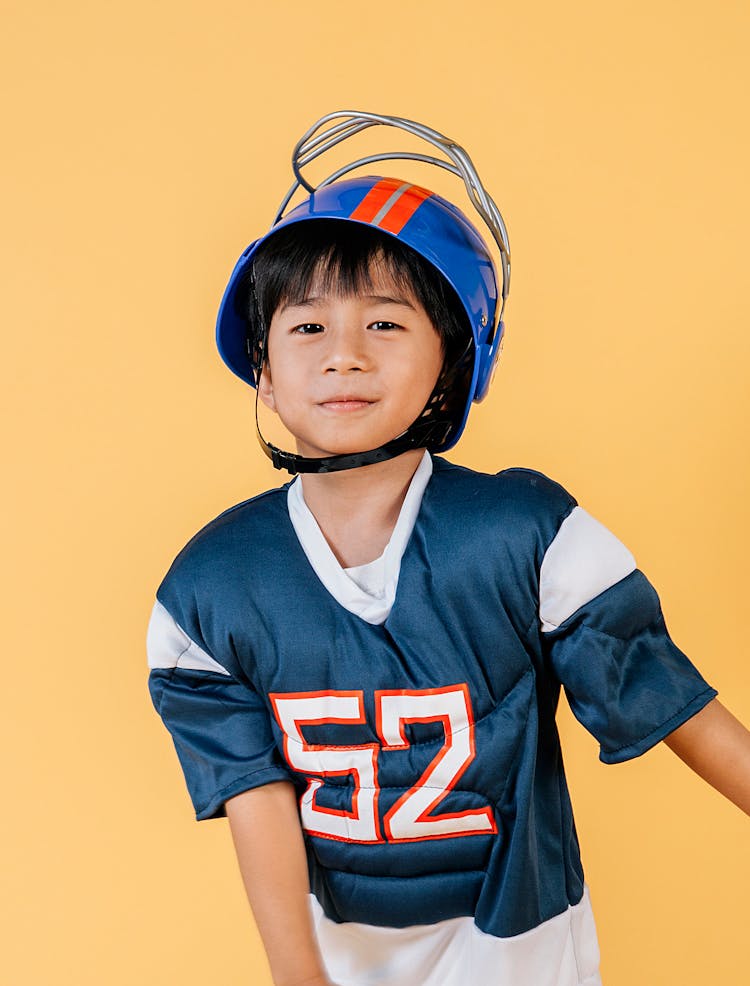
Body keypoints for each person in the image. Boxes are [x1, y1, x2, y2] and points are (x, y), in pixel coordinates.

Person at [146, 112, 750, 986]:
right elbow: (258, 799)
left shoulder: (525, 536)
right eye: (308, 328)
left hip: (520, 950)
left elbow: (676, 709)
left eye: (385, 325)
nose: (344, 356)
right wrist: (297, 976)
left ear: (452, 363)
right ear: (263, 371)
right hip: (339, 954)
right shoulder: (210, 587)